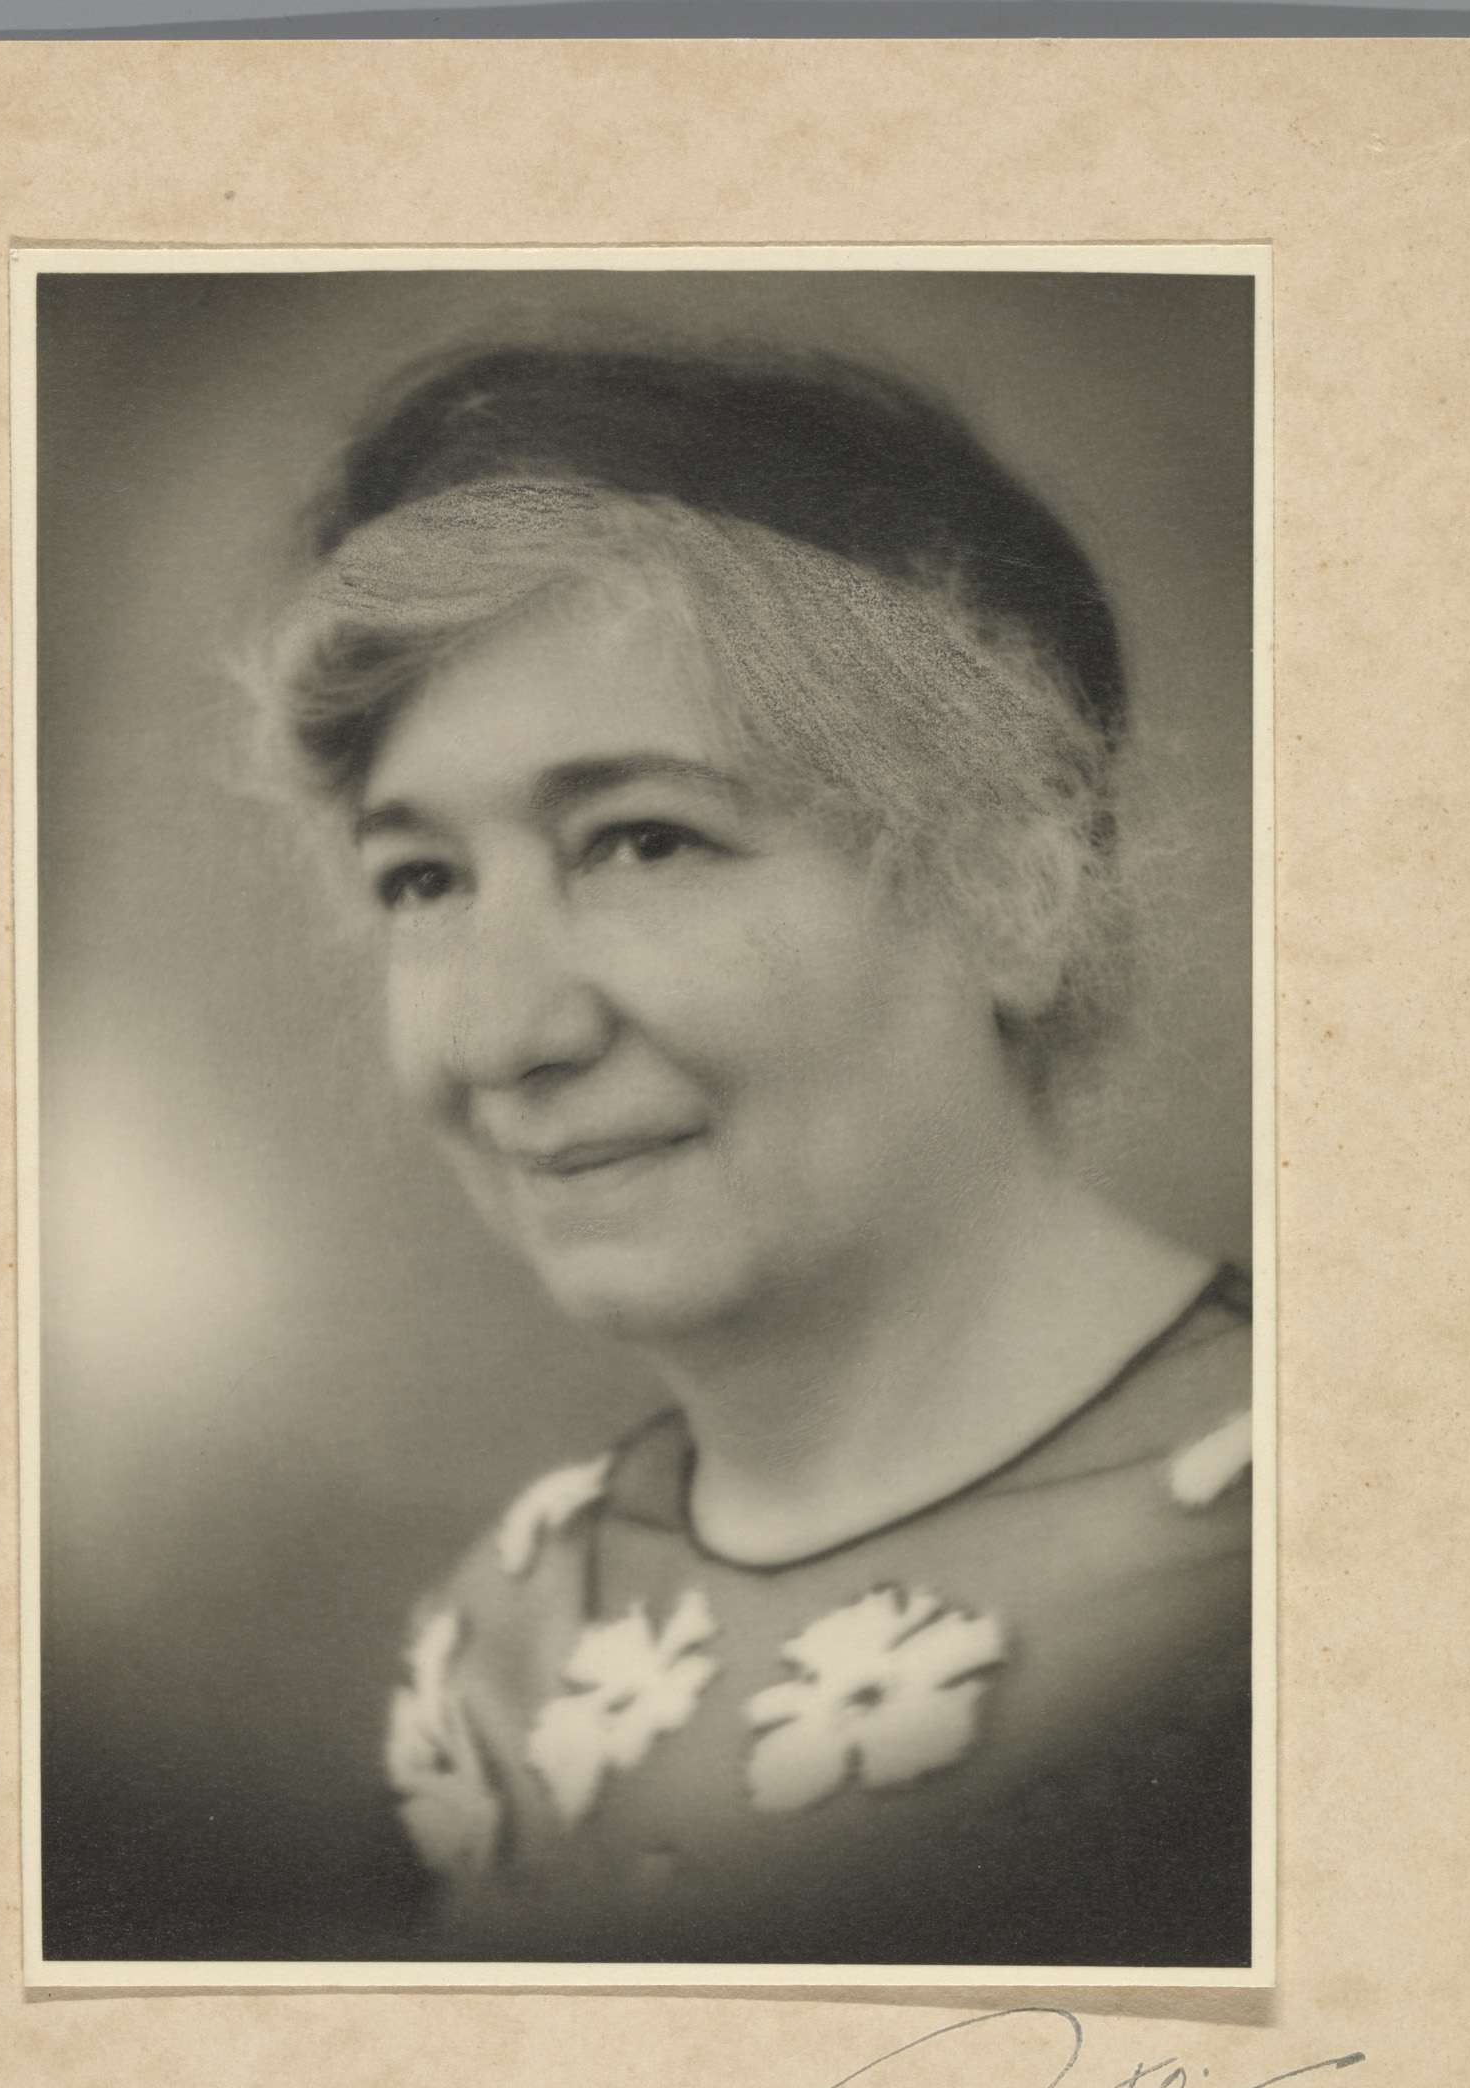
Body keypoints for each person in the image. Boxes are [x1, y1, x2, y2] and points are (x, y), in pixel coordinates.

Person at [263, 336, 1253, 1967]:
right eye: (423, 881)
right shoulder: (506, 1642)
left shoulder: (1340, 1565)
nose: (503, 1034)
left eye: (644, 841)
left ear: (1019, 892)